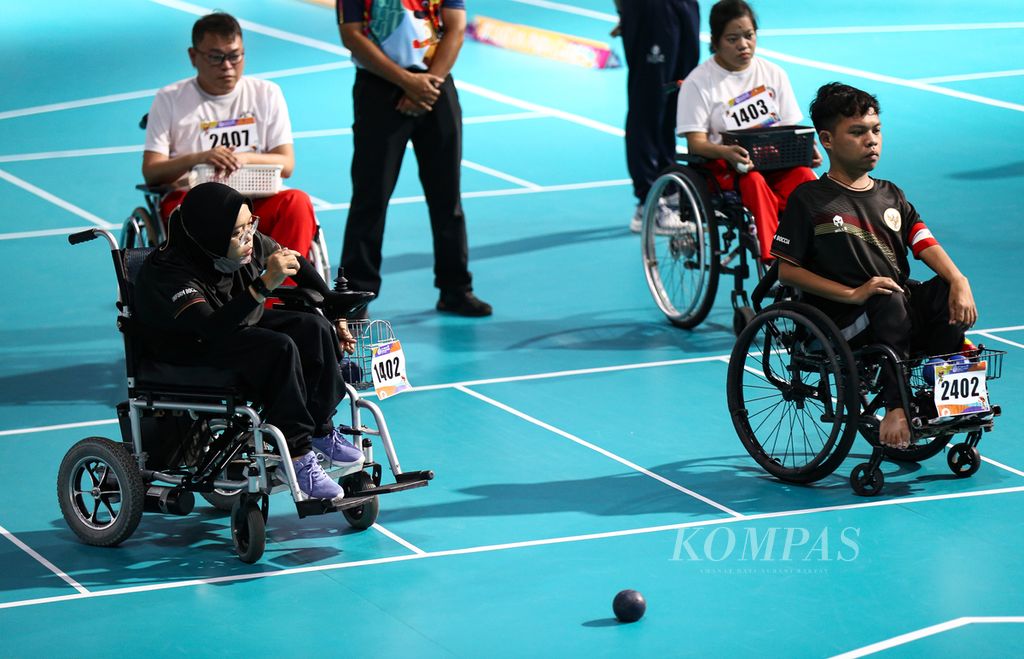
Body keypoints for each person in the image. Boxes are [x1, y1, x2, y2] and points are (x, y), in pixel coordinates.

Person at [771, 82, 977, 450]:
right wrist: (854, 293)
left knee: (942, 291)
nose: (872, 140)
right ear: (827, 140)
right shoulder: (810, 200)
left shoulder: (891, 194)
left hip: (893, 310)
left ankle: (949, 398)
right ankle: (897, 407)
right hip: (842, 319)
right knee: (886, 295)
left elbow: (923, 242)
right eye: (858, 132)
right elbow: (787, 272)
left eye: (876, 130)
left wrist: (958, 279)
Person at [134, 182, 366, 502]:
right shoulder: (170, 272)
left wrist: (330, 305)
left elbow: (292, 261)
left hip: (230, 325)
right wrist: (262, 286)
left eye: (250, 225)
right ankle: (296, 458)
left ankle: (319, 430)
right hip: (186, 349)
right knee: (278, 348)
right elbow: (209, 329)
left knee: (313, 327)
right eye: (237, 232)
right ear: (211, 236)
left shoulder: (246, 244)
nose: (248, 238)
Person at [335, 0, 491, 317]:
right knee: (370, 197)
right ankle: (355, 295)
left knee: (447, 197)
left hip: (436, 85)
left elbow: (456, 28)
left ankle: (455, 288)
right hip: (378, 88)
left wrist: (428, 83)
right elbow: (351, 35)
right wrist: (407, 82)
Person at [143, 12, 317, 263]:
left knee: (297, 202)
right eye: (216, 57)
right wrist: (200, 158)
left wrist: (243, 158)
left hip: (255, 203)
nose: (227, 66)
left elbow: (287, 164)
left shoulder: (267, 93)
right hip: (196, 206)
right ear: (193, 56)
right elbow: (151, 172)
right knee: (182, 211)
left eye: (234, 56)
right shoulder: (168, 99)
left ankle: (283, 297)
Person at [676, 0, 820, 261]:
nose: (743, 45)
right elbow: (696, 143)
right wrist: (728, 152)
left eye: (749, 36)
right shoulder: (698, 82)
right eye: (732, 39)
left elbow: (790, 127)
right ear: (716, 41)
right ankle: (774, 260)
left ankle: (824, 250)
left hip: (774, 159)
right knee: (754, 182)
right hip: (724, 166)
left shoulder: (774, 73)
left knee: (804, 177)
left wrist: (808, 149)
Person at [611, 0, 701, 233]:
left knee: (678, 94)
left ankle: (668, 188)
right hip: (650, 9)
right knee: (648, 104)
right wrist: (625, 12)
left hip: (683, 6)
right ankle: (648, 203)